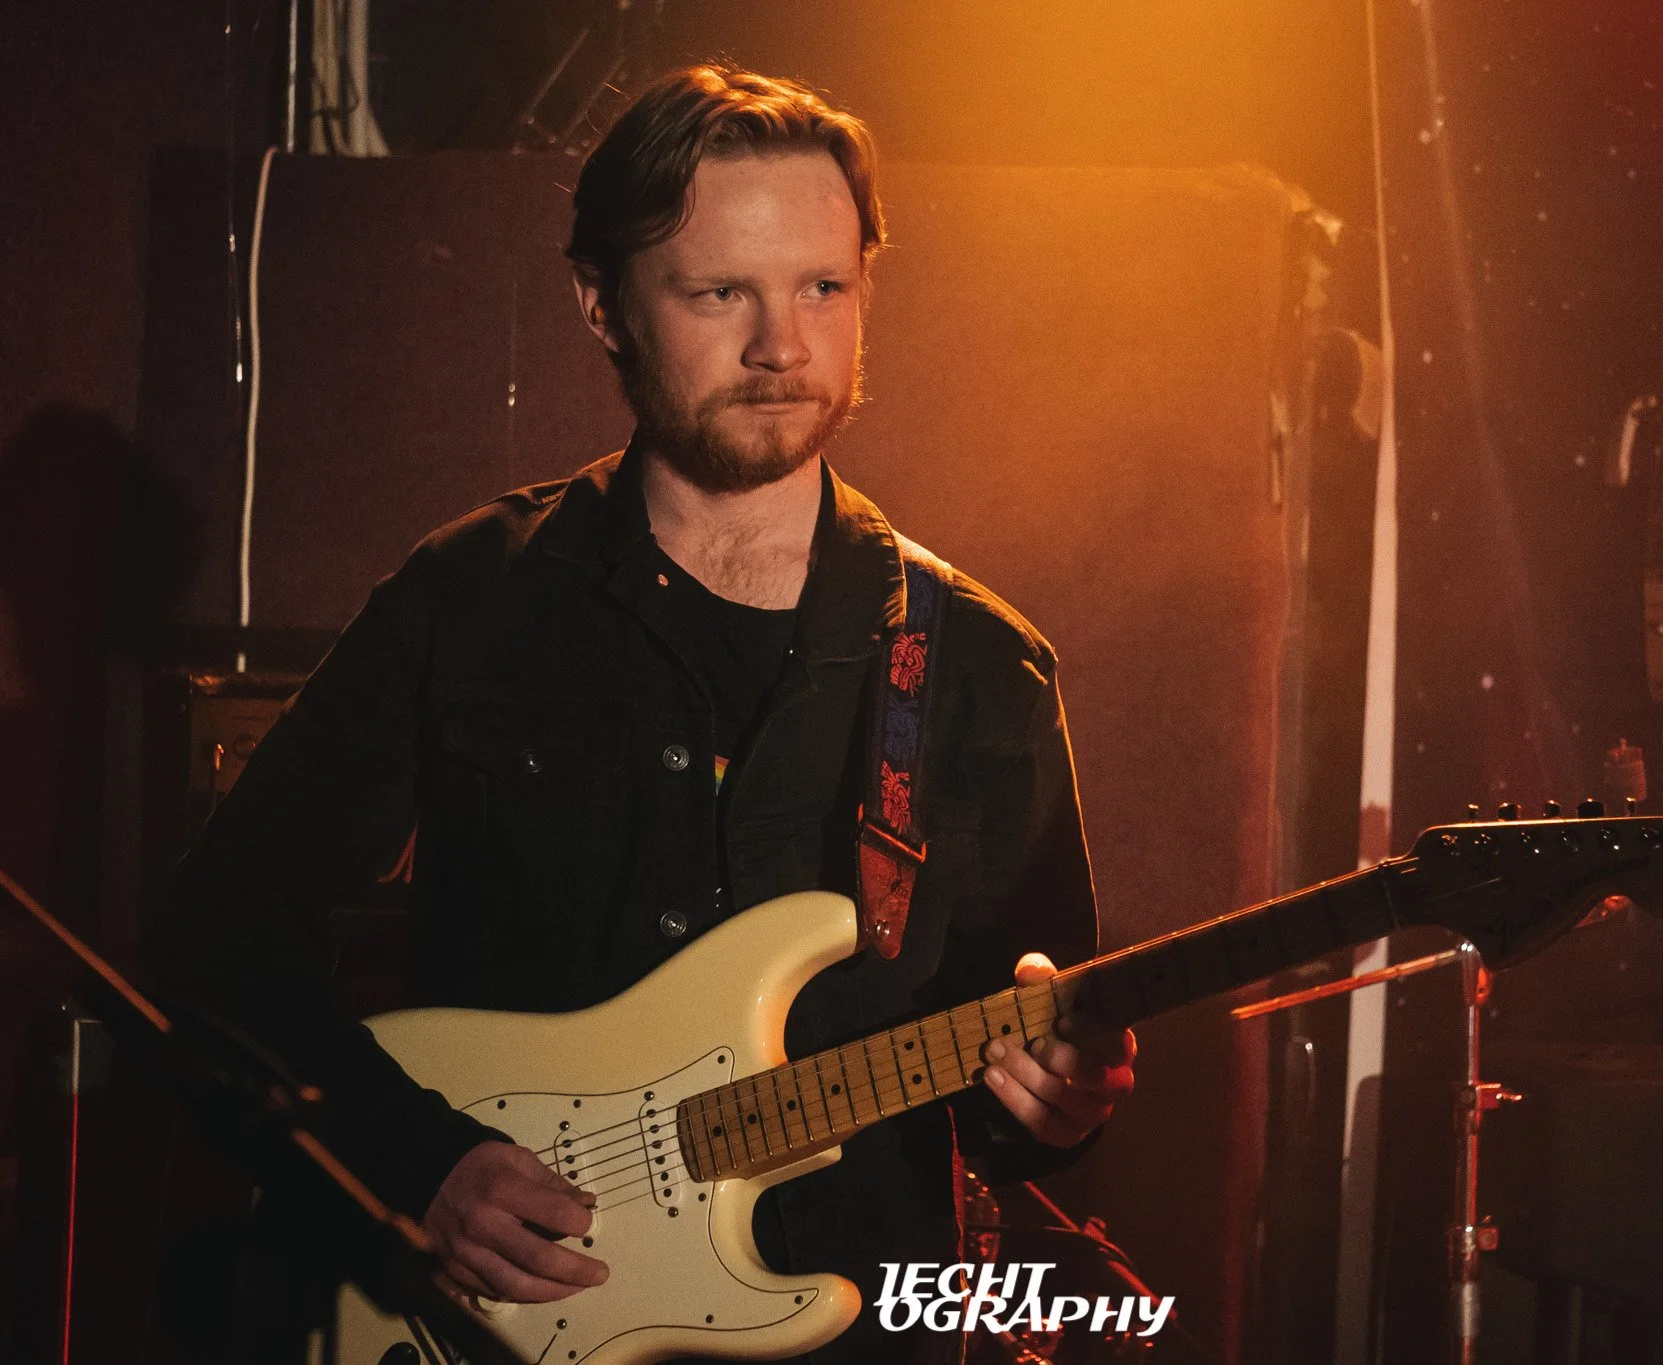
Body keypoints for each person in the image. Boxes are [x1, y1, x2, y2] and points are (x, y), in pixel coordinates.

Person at [148, 64, 1136, 1363]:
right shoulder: (472, 598)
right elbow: (219, 931)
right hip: (497, 1326)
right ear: (601, 304)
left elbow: (1025, 1076)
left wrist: (1060, 1106)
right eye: (721, 292)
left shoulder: (977, 667)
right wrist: (412, 1159)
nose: (783, 345)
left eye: (823, 288)